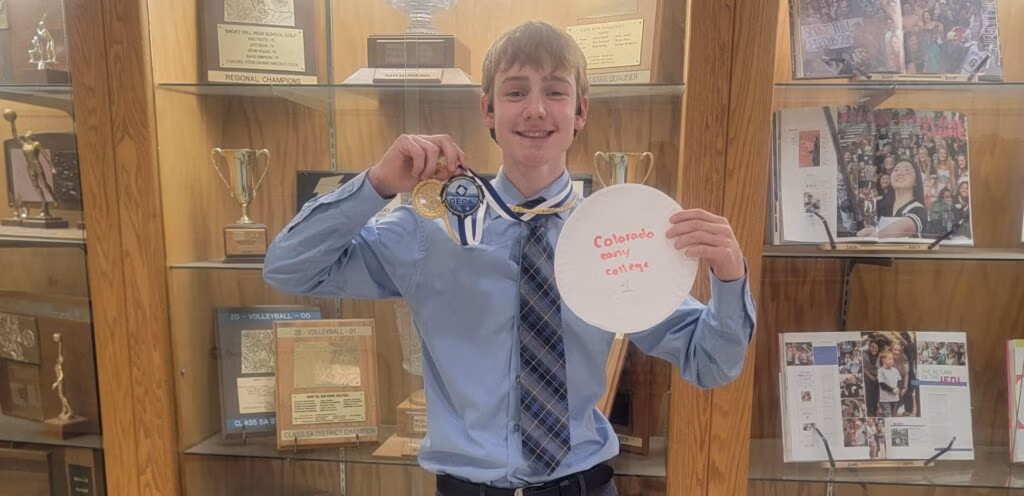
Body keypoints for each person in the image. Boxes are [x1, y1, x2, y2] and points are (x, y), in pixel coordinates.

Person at [262, 20, 755, 496]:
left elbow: (709, 363)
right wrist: (376, 185)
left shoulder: (614, 239)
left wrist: (730, 278)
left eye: (556, 92)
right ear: (488, 111)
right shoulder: (428, 229)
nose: (536, 109)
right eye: (516, 91)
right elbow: (288, 267)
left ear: (580, 111)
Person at [877, 350, 903, 417]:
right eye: (890, 359)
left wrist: (898, 388)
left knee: (893, 416)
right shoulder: (881, 371)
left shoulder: (895, 370)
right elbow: (882, 384)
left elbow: (900, 380)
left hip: (895, 398)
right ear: (883, 360)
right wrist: (892, 390)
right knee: (888, 416)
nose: (892, 360)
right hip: (885, 399)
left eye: (892, 358)